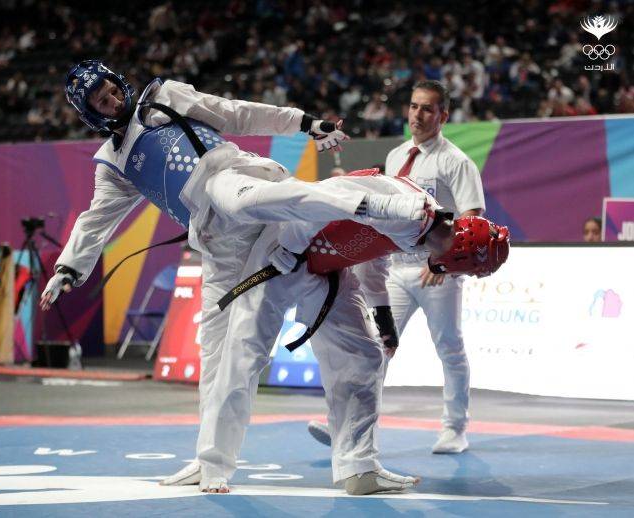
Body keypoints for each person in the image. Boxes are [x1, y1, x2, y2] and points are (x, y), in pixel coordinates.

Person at [39, 61, 427, 489]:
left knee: (356, 346)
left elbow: (236, 113)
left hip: (248, 190)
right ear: (91, 114)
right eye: (102, 101)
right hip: (221, 246)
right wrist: (68, 268)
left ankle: (359, 465)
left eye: (113, 89)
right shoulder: (113, 163)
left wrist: (303, 122)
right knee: (219, 356)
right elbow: (96, 219)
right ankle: (210, 463)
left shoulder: (164, 97)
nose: (114, 100)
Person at [165, 169, 508, 495]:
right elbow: (325, 195)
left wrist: (383, 316)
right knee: (244, 355)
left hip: (329, 271)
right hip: (283, 254)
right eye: (467, 272)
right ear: (463, 258)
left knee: (364, 357)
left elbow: (376, 254)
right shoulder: (409, 208)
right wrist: (290, 245)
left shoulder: (424, 231)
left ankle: (359, 467)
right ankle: (211, 464)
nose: (458, 276)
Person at [308, 80, 486, 455]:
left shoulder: (456, 162)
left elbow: (472, 220)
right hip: (394, 269)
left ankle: (455, 429)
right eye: (414, 106)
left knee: (449, 347)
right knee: (376, 347)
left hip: (436, 273)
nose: (418, 115)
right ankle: (348, 423)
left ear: (443, 116)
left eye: (427, 109)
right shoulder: (395, 156)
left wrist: (443, 263)